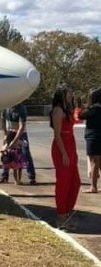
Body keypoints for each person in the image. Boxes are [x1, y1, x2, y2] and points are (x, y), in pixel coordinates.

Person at [50, 84, 80, 228]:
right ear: (62, 95)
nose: (71, 95)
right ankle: (61, 216)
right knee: (64, 183)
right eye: (68, 93)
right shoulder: (58, 111)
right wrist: (64, 154)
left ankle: (67, 212)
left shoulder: (68, 110)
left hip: (70, 146)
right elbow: (57, 135)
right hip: (62, 147)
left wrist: (74, 153)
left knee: (75, 182)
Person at [0, 103, 37, 185]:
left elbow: (21, 127)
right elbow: (2, 121)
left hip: (20, 134)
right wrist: (5, 134)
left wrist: (15, 141)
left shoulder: (21, 108)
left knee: (25, 154)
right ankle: (4, 176)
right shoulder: (6, 107)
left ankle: (31, 176)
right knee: (6, 154)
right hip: (9, 133)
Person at [79, 87, 101, 193]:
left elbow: (80, 115)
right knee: (99, 163)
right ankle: (95, 186)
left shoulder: (92, 110)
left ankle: (93, 186)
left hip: (93, 137)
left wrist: (82, 106)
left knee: (94, 162)